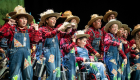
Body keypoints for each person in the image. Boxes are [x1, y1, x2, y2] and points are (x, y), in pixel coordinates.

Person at [0, 5, 40, 80]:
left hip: (26, 58)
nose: (24, 20)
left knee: (28, 75)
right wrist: (8, 24)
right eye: (22, 18)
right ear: (17, 19)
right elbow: (1, 33)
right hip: (15, 59)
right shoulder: (12, 29)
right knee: (15, 77)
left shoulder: (30, 30)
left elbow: (36, 41)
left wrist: (36, 30)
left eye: (25, 19)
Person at [39, 9, 77, 80]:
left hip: (57, 53)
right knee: (52, 73)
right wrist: (58, 29)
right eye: (52, 19)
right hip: (49, 53)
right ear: (46, 20)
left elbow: (67, 35)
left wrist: (73, 29)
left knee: (57, 75)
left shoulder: (57, 30)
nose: (54, 20)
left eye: (55, 19)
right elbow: (48, 35)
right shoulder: (42, 29)